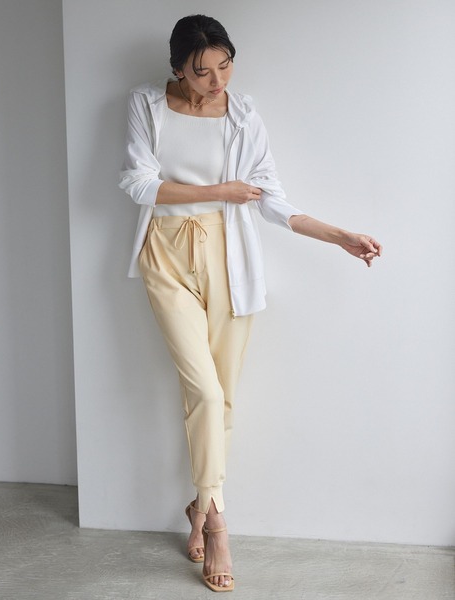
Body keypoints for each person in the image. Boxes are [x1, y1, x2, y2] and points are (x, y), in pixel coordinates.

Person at [119, 14, 382, 593]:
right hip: (165, 252)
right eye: (202, 71)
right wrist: (221, 191)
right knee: (205, 391)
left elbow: (269, 198)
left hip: (228, 257)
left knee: (224, 397)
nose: (217, 81)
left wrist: (338, 236)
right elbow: (139, 183)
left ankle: (201, 502)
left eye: (225, 65)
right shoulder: (146, 104)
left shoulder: (243, 114)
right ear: (177, 69)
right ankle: (217, 524)